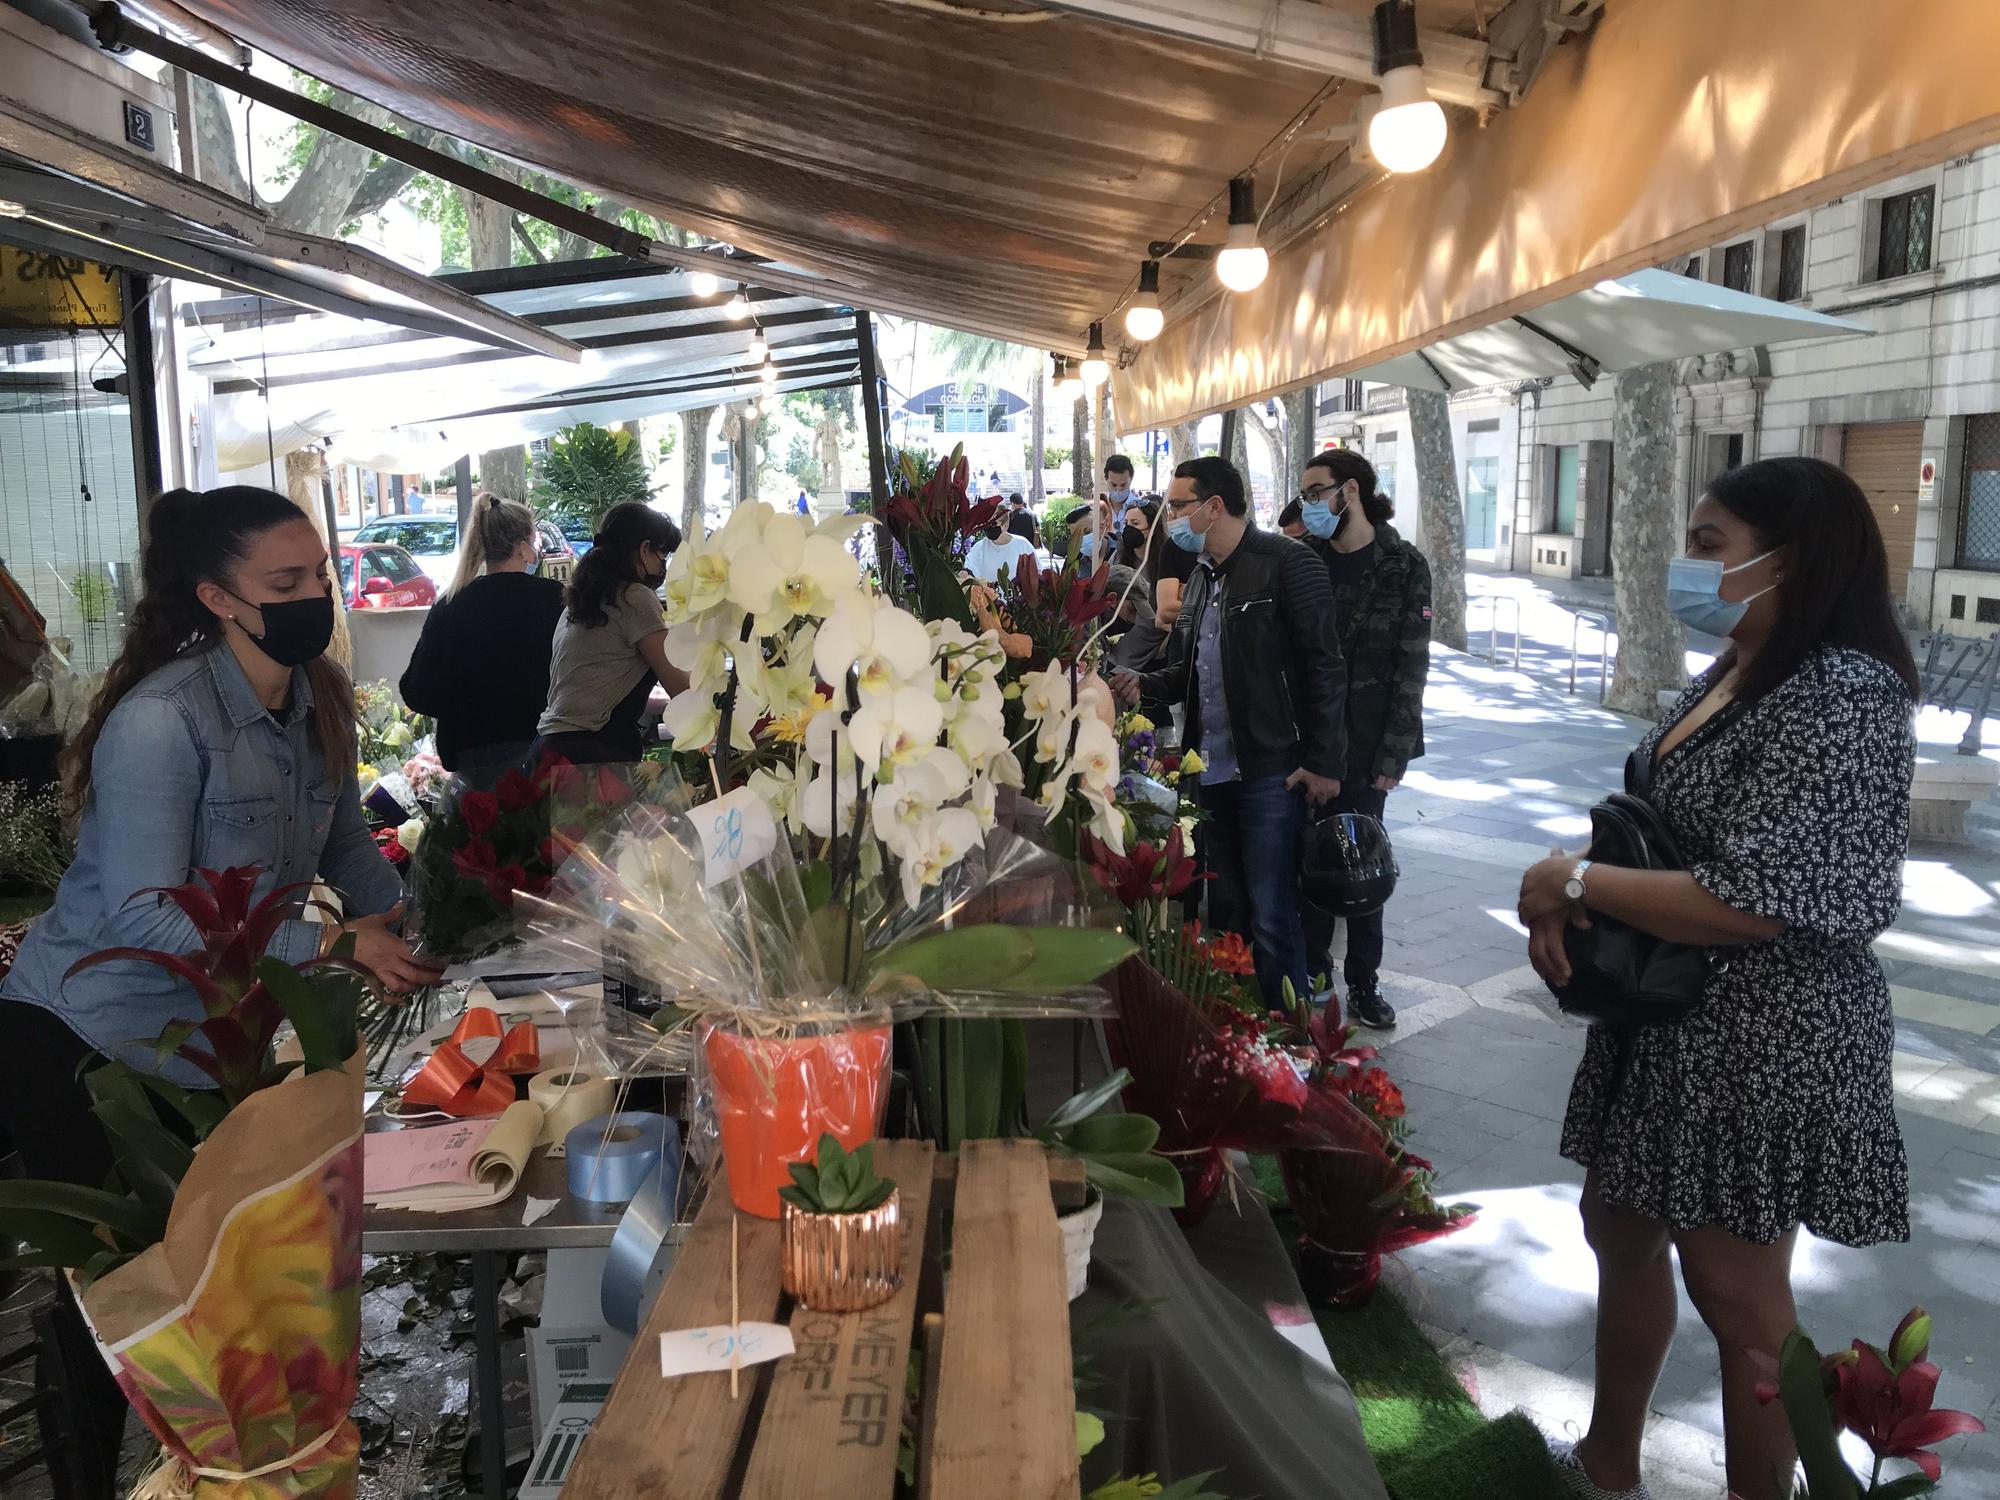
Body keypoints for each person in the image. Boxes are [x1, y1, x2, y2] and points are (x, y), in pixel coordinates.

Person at [0, 485, 435, 1496]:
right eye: (284, 585)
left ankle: (214, 1468)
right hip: (84, 1034)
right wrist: (331, 945)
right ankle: (85, 1481)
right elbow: (143, 918)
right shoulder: (163, 722)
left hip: (206, 1039)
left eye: (318, 578)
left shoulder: (312, 695)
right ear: (216, 597)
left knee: (214, 1275)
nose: (311, 599)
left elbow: (345, 851)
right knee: (118, 1292)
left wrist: (416, 926)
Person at [1516, 457, 1918, 1500]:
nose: (1682, 566)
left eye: (1707, 546)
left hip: (1764, 1033)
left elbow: (1756, 896)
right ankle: (1610, 1460)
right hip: (1667, 1018)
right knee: (1617, 1225)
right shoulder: (1739, 664)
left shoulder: (1843, 692)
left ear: (1791, 559)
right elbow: (1675, 832)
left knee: (1738, 1294)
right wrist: (1577, 897)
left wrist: (1570, 879)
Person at [1113, 456, 1345, 1008]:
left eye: (1177, 505)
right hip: (1211, 769)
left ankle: (1292, 1040)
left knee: (1271, 911)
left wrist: (1323, 760)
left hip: (1270, 769)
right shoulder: (1199, 580)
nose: (1169, 517)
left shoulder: (1286, 565)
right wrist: (1137, 682)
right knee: (1232, 911)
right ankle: (1247, 1036)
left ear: (1214, 507)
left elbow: (1325, 667)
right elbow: (1190, 674)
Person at [1294, 450, 1431, 1029]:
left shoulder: (1403, 564)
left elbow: (1412, 665)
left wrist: (1395, 752)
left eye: (1317, 492)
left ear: (1349, 491)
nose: (1309, 505)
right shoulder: (1304, 561)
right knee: (1310, 856)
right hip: (1311, 741)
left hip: (1372, 740)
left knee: (1363, 859)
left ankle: (1365, 981)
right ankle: (1313, 967)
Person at [400, 491, 566, 776]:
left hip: (470, 761)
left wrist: (464, 707)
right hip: (542, 751)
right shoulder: (554, 599)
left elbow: (417, 691)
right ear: (523, 546)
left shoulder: (451, 603)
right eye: (535, 537)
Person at [533, 502, 689, 765]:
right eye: (662, 556)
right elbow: (681, 688)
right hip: (592, 755)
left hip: (550, 750)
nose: (664, 566)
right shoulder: (635, 597)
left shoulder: (580, 600)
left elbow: (606, 683)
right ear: (644, 549)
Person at [963, 515, 1038, 582]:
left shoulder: (1022, 544)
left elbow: (1037, 571)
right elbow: (968, 570)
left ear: (1005, 525)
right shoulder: (979, 547)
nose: (988, 527)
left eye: (993, 523)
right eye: (986, 523)